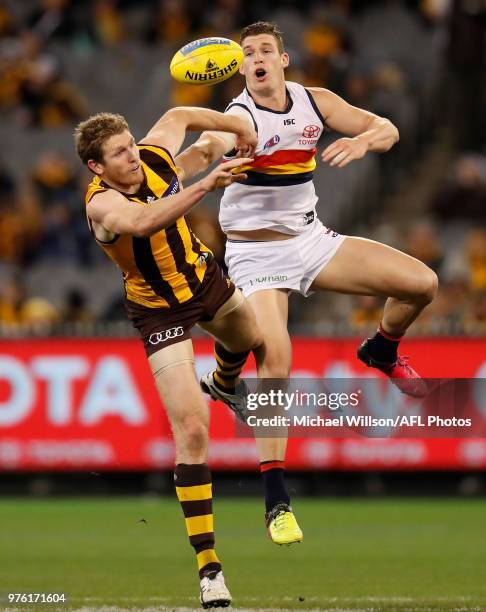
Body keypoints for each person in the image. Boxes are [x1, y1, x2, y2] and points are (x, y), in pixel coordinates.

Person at [175, 21, 438, 547]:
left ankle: (382, 350)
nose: (256, 58)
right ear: (239, 66)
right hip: (256, 254)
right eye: (247, 53)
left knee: (422, 283)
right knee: (277, 360)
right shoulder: (238, 117)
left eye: (265, 49)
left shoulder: (313, 101)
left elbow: (385, 126)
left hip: (312, 240)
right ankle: (276, 500)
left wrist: (365, 141)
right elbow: (206, 148)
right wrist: (166, 175)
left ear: (283, 58)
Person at [74, 107, 264, 609]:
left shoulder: (152, 158)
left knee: (250, 337)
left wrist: (240, 127)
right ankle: (209, 568)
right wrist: (206, 184)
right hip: (158, 313)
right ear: (97, 168)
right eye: (119, 153)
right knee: (193, 430)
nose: (132, 154)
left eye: (131, 143)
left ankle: (225, 381)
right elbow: (142, 221)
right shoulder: (102, 206)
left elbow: (184, 120)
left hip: (205, 281)